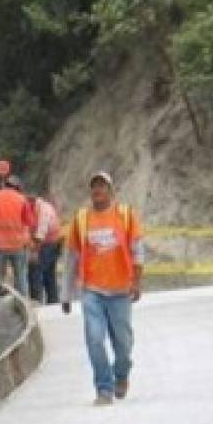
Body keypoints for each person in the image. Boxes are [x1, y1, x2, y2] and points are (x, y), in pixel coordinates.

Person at [62, 171, 145, 406]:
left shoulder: (126, 216)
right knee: (94, 339)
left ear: (111, 190)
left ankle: (121, 375)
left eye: (102, 186)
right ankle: (104, 388)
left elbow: (138, 250)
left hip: (121, 290)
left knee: (124, 343)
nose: (97, 191)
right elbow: (71, 259)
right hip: (92, 291)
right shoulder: (81, 220)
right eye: (94, 187)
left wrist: (137, 281)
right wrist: (66, 294)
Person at [0, 175, 36, 297]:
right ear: (17, 188)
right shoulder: (22, 200)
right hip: (18, 245)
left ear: (4, 185)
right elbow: (30, 223)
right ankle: (22, 301)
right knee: (21, 276)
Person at [26, 188, 62, 304]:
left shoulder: (43, 209)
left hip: (50, 244)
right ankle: (53, 301)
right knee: (49, 274)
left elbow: (41, 231)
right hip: (50, 242)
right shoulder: (34, 208)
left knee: (35, 270)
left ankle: (36, 301)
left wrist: (34, 252)